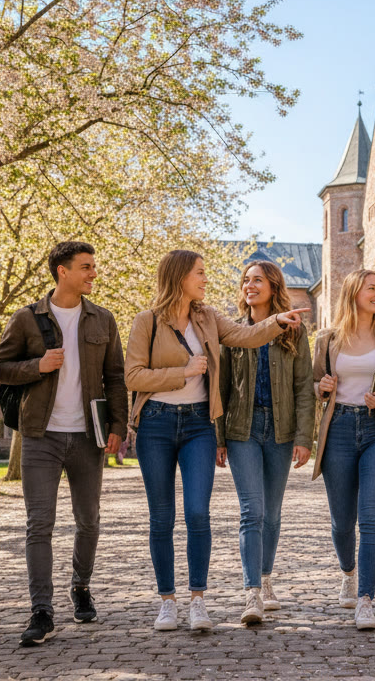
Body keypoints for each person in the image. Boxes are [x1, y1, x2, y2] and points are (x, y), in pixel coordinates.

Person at [124, 250, 308, 631]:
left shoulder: (208, 318)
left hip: (198, 426)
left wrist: (275, 321)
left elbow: (245, 335)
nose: (206, 279)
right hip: (156, 424)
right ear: (179, 277)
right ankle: (167, 602)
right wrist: (183, 371)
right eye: (200, 273)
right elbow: (133, 376)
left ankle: (197, 601)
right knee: (162, 517)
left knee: (197, 513)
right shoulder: (147, 322)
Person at [0, 242, 127, 646]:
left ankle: (81, 586)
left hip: (87, 436)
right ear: (62, 271)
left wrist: (117, 426)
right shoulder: (27, 319)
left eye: (93, 266)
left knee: (89, 520)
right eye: (86, 267)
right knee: (40, 523)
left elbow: (116, 377)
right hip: (40, 436)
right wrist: (38, 366)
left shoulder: (102, 319)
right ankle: (41, 609)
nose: (93, 274)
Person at [313, 268, 375, 630]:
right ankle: (349, 572)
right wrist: (322, 386)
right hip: (338, 428)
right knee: (342, 522)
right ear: (354, 292)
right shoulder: (327, 339)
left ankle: (366, 599)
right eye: (372, 288)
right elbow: (315, 385)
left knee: (371, 519)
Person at [215, 260, 316, 624]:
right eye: (245, 280)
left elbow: (304, 386)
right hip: (241, 430)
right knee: (251, 511)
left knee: (271, 514)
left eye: (257, 280)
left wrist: (305, 436)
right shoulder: (230, 330)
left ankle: (266, 578)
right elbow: (220, 386)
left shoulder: (293, 331)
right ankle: (251, 593)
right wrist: (218, 436)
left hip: (281, 430)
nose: (249, 285)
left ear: (273, 286)